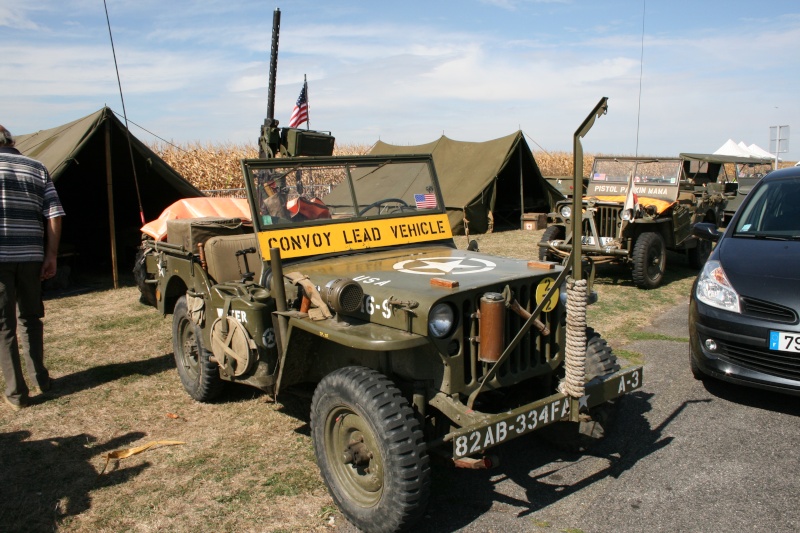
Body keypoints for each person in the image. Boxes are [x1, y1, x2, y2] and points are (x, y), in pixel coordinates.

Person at [0, 124, 65, 410]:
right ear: (11, 141)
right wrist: (51, 255)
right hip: (30, 256)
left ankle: (16, 393)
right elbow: (54, 213)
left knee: (4, 327)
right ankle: (41, 378)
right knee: (30, 318)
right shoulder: (36, 167)